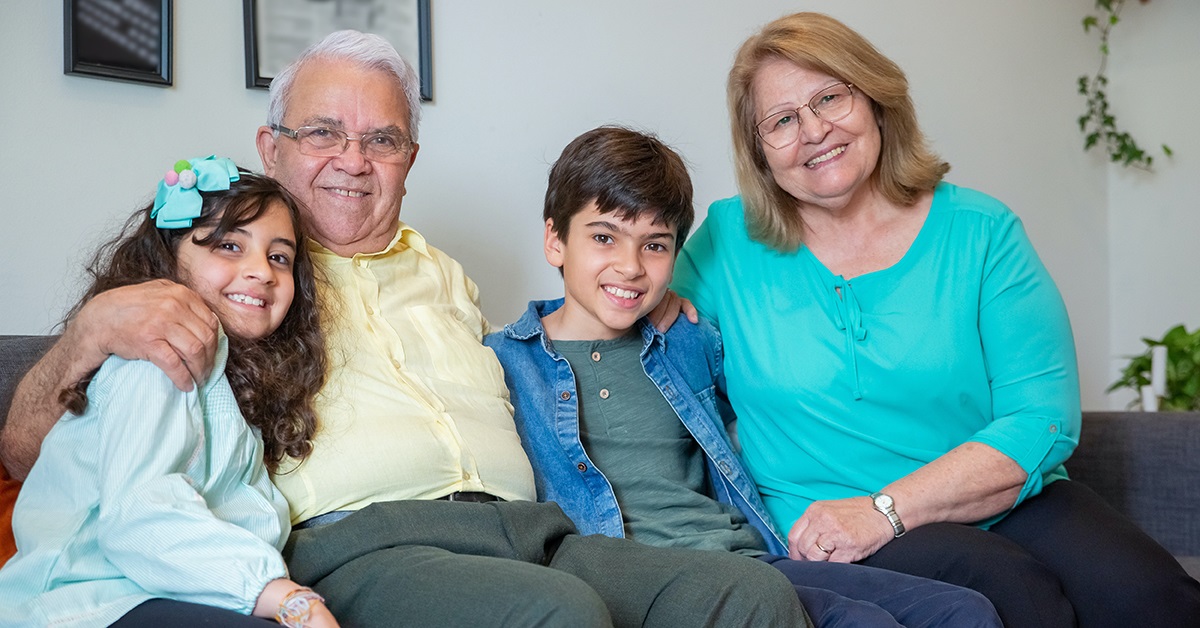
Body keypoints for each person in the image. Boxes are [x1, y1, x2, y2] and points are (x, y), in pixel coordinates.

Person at [0, 32, 809, 627]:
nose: (353, 160)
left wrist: (650, 292)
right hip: (365, 546)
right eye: (323, 133)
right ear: (269, 149)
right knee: (552, 615)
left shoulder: (447, 276)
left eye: (381, 140)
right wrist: (89, 337)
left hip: (530, 530)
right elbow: (40, 455)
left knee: (749, 596)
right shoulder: (239, 282)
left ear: (409, 159)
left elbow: (578, 317)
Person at [669, 11, 1200, 628]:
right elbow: (642, 337)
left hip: (1000, 497)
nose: (813, 130)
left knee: (1159, 599)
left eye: (830, 98)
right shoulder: (725, 244)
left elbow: (1042, 418)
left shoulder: (981, 232)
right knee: (1015, 594)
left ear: (875, 100)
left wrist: (887, 508)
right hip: (829, 520)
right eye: (782, 120)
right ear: (760, 149)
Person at [485, 125, 1003, 628]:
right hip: (645, 580)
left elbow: (784, 406)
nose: (630, 266)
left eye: (655, 245)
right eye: (604, 237)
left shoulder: (687, 339)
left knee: (965, 612)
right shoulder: (504, 362)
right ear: (555, 240)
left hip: (755, 559)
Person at [0, 160, 336, 627]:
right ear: (168, 259)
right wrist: (287, 597)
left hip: (169, 595)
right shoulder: (155, 358)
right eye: (230, 245)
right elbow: (140, 518)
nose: (261, 271)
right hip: (87, 604)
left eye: (279, 257)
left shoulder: (233, 385)